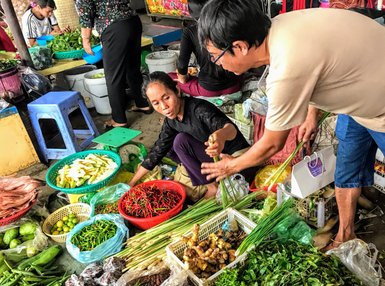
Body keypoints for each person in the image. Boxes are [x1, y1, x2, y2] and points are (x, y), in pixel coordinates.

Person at [198, 1, 385, 249]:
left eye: (214, 55)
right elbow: (323, 63)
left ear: (239, 47)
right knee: (346, 167)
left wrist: (232, 165)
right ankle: (345, 234)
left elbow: (272, 143)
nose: (215, 63)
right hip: (360, 96)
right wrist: (311, 112)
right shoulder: (282, 25)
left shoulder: (286, 67)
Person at [127, 72, 255, 200]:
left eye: (166, 98)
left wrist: (221, 136)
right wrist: (132, 182)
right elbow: (157, 151)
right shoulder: (171, 121)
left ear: (177, 90)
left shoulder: (198, 109)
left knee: (181, 141)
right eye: (156, 103)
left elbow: (230, 128)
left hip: (236, 164)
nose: (164, 107)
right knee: (168, 147)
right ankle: (199, 176)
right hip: (214, 163)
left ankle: (212, 187)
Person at [76, 0, 150, 130]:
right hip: (132, 21)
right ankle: (143, 103)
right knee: (132, 69)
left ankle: (119, 119)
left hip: (113, 27)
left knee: (113, 76)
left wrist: (85, 39)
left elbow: (86, 12)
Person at [168, 0, 241, 98]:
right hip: (234, 86)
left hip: (208, 90)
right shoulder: (227, 25)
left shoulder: (190, 33)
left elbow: (182, 65)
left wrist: (183, 78)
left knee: (169, 76)